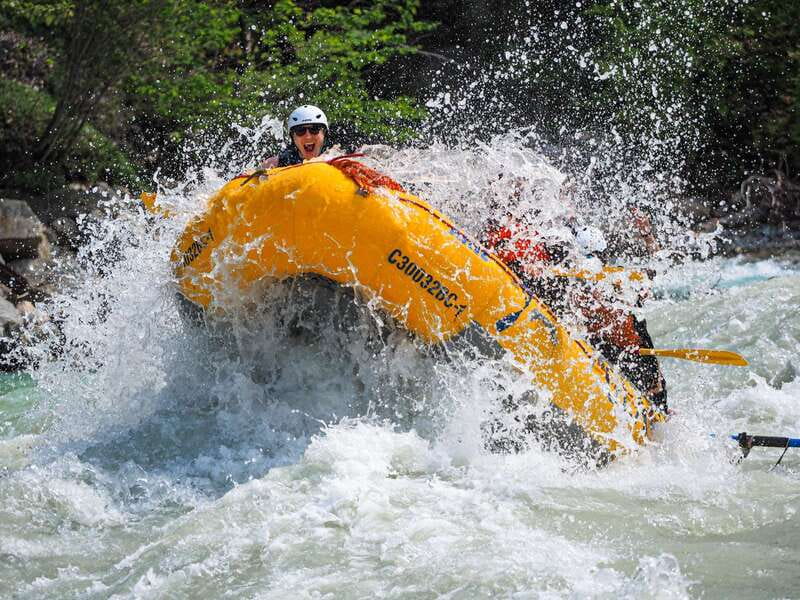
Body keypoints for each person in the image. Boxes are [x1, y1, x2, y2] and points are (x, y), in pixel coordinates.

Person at [261, 105, 332, 168]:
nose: (308, 136)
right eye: (300, 130)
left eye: (314, 129)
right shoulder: (274, 164)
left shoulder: (336, 159)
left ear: (324, 133)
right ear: (293, 137)